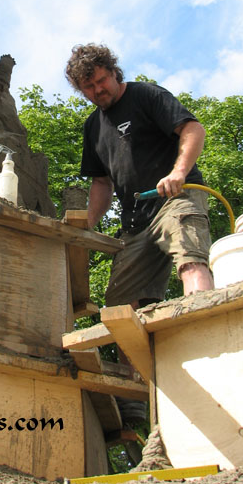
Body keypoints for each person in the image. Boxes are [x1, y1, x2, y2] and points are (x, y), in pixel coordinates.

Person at [65, 43, 214, 311]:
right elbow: (101, 182)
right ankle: (143, 353)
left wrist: (178, 172)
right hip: (135, 222)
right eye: (89, 87)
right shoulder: (93, 127)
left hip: (176, 199)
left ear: (114, 72)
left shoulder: (144, 94)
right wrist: (86, 223)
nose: (98, 89)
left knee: (191, 260)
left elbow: (193, 129)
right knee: (119, 308)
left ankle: (202, 320)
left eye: (101, 80)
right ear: (80, 90)